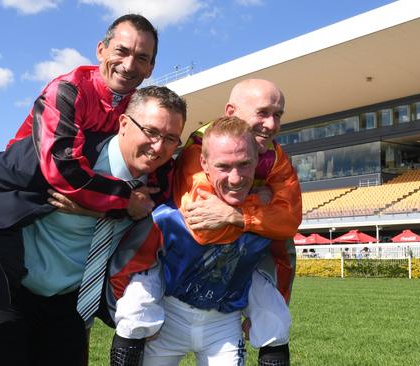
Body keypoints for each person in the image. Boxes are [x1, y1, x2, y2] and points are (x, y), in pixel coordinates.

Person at [0, 14, 174, 366]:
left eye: (143, 58)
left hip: (76, 174)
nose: (130, 64)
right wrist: (121, 203)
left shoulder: (137, 106)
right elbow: (62, 172)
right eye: (122, 51)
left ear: (151, 67)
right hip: (32, 166)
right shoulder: (68, 88)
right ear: (101, 50)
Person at [114, 116, 290, 365]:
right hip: (168, 319)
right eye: (224, 166)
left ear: (257, 162)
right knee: (135, 305)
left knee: (276, 318)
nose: (236, 178)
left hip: (223, 323)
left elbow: (282, 262)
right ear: (204, 164)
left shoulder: (267, 219)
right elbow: (128, 266)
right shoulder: (169, 217)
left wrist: (269, 311)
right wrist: (128, 316)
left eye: (245, 164)